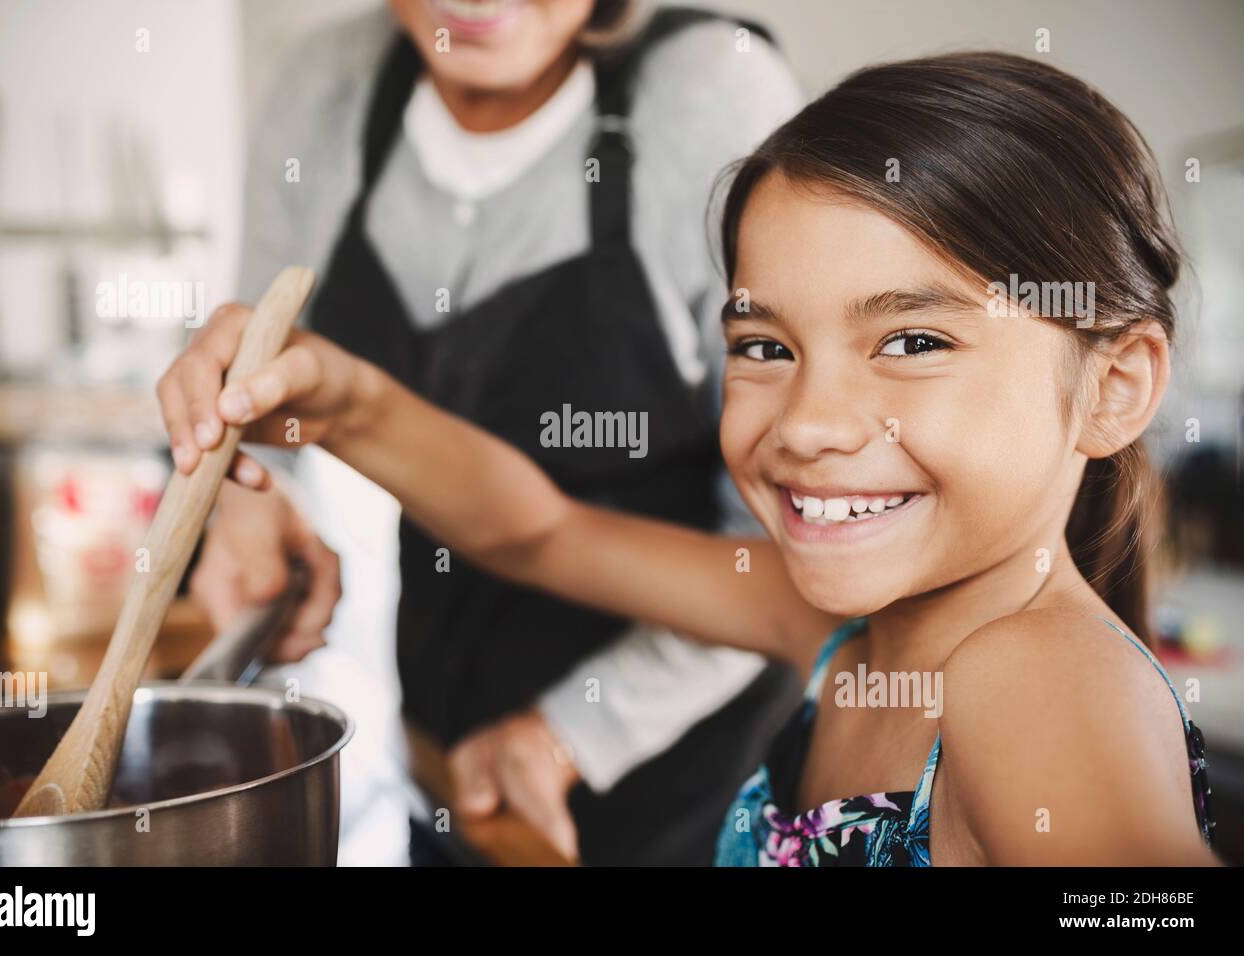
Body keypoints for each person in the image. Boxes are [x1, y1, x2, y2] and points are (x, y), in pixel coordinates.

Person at [161, 51, 1220, 865]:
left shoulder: (1032, 678)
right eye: (764, 346)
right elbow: (539, 530)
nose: (806, 422)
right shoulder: (837, 627)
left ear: (1114, 385)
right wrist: (338, 396)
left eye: (911, 341)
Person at [176, 0, 806, 863]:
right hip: (444, 749)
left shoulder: (710, 93)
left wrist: (567, 732)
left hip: (693, 772)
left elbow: (781, 558)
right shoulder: (326, 87)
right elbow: (256, 375)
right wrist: (250, 501)